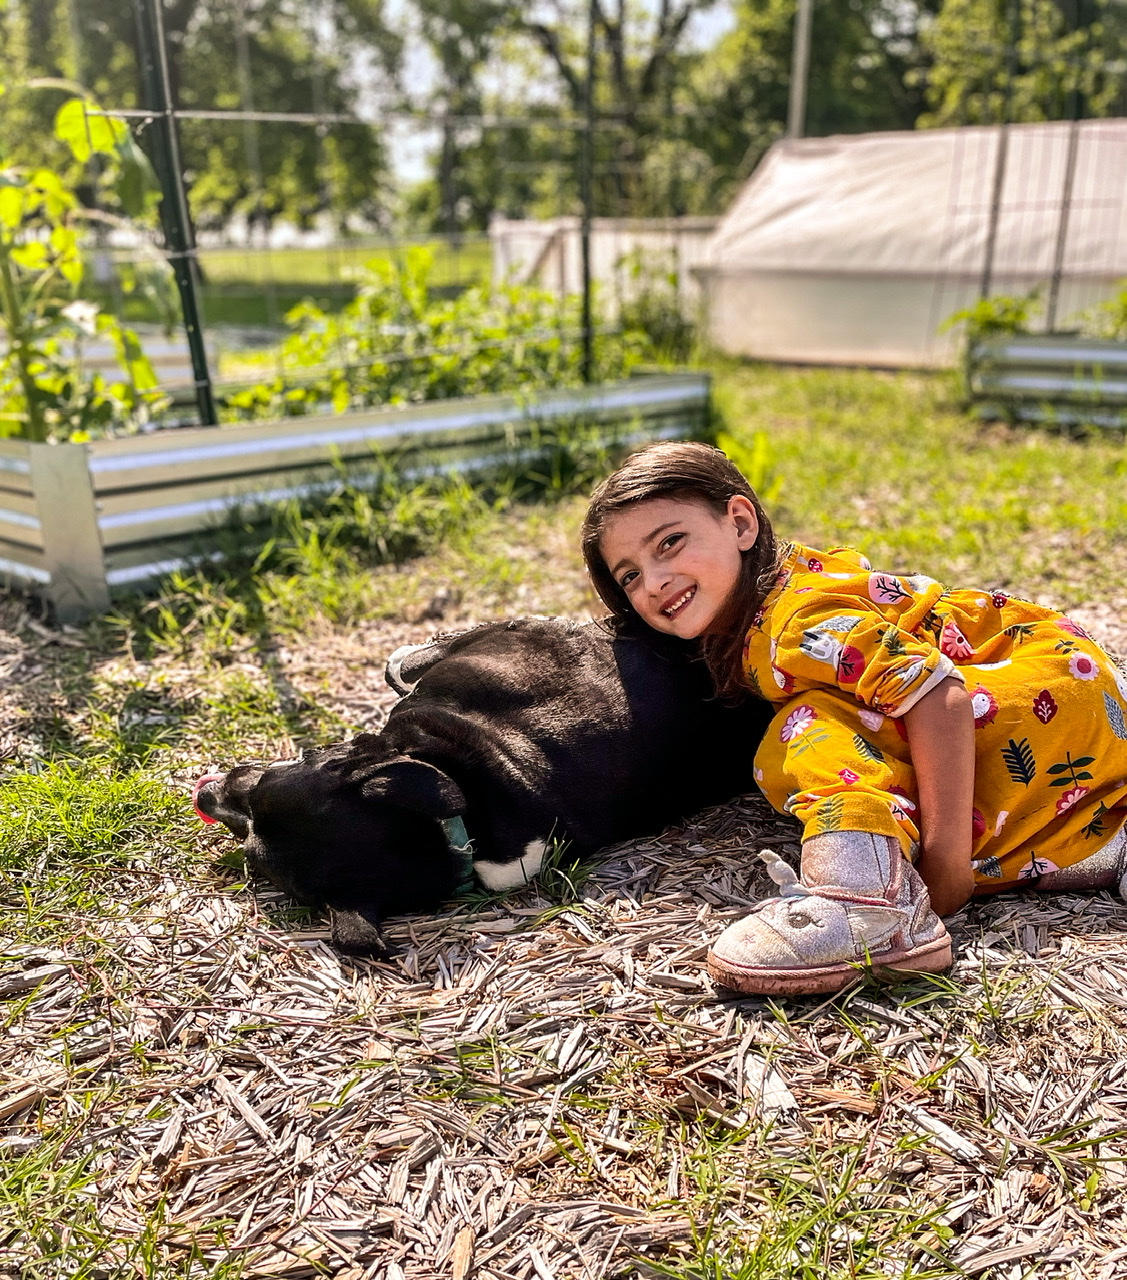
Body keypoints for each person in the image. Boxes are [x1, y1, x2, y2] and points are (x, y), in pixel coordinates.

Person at [581, 441, 1127, 996]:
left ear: (740, 523)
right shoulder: (777, 599)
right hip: (1077, 701)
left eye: (670, 543)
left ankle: (874, 906)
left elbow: (942, 697)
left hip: (1039, 692)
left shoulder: (793, 625)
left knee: (806, 727)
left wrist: (946, 871)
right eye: (629, 576)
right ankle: (1101, 834)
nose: (653, 582)